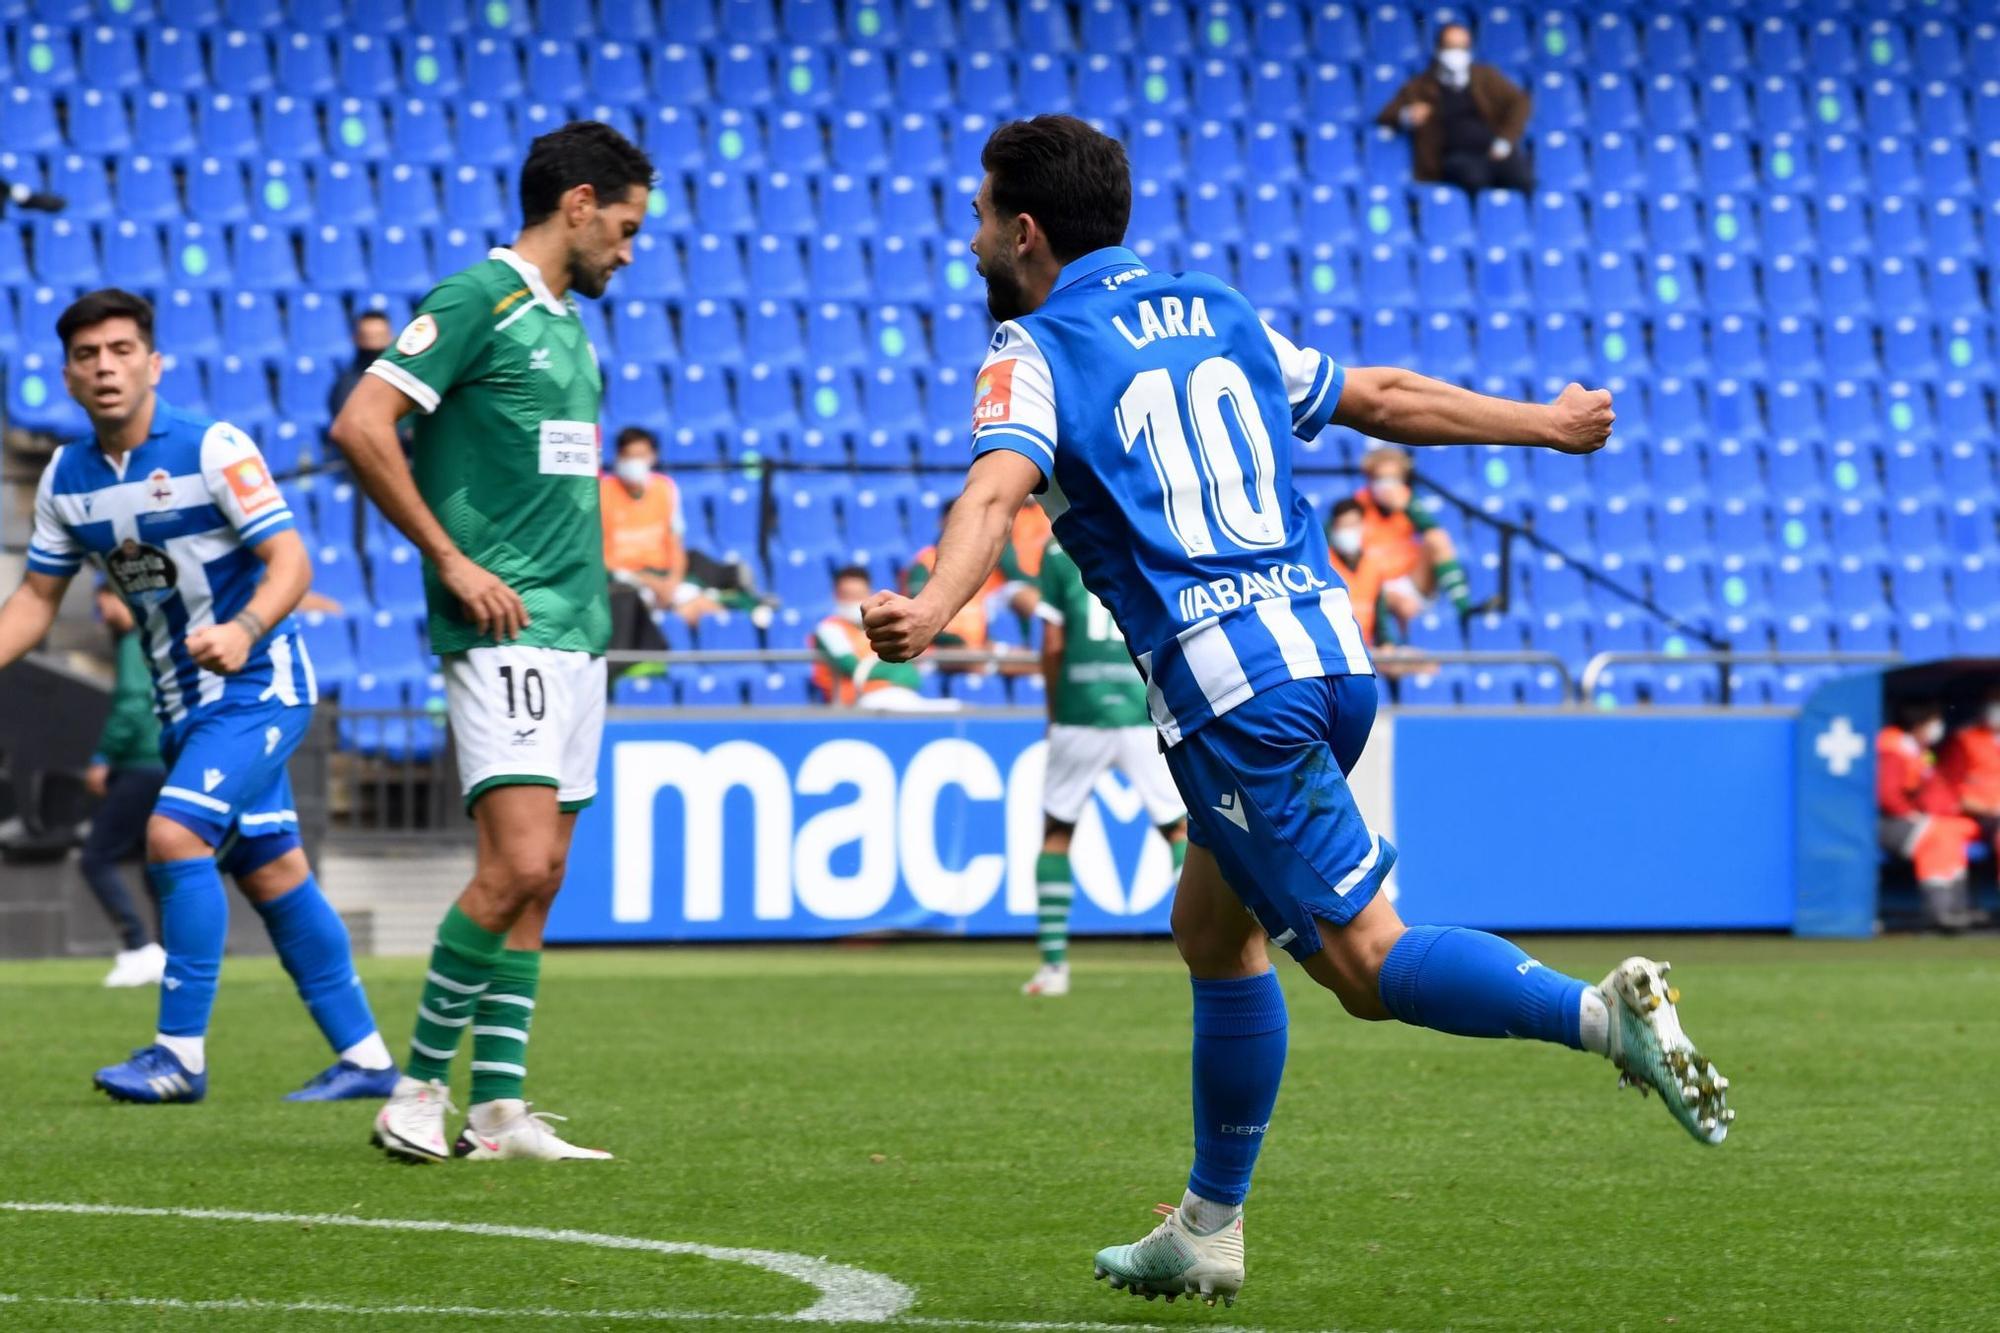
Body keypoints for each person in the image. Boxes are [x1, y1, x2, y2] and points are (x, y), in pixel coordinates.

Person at [861, 116, 1729, 1307]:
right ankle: (1207, 1228)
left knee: (1364, 965)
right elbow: (1377, 394)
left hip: (1233, 695)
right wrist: (1545, 421)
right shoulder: (1208, 307)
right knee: (1211, 932)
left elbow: (990, 492)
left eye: (975, 218)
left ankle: (1597, 1018)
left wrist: (932, 605)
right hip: (1326, 655)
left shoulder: (1030, 347)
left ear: (1023, 232)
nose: (967, 242)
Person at [332, 120, 654, 1163]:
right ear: (577, 205)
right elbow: (362, 424)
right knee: (513, 859)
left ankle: (500, 1109)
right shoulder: (478, 297)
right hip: (502, 624)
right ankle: (414, 1089)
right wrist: (453, 563)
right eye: (625, 225)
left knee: (543, 871)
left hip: (575, 631)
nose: (629, 248)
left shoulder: (568, 324)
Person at [0, 288, 397, 1104]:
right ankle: (367, 1060)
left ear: (154, 362)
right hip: (186, 705)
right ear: (68, 376)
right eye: (87, 355)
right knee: (273, 870)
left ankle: (178, 1055)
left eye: (120, 350)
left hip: (261, 682)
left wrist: (247, 626)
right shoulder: (66, 480)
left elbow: (292, 562)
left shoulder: (213, 447)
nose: (105, 367)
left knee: (174, 834)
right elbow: (37, 601)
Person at [1026, 537, 1187, 997]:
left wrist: (1055, 710)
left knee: (1057, 831)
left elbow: (1053, 643)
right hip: (1141, 709)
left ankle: (1053, 968)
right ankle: (1206, 950)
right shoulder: (1144, 539)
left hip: (1080, 710)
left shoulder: (1058, 552)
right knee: (1178, 830)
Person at [82, 585, 168, 989]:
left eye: (107, 606)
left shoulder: (135, 642)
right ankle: (169, 954)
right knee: (157, 866)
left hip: (140, 765)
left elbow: (134, 704)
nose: (105, 616)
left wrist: (103, 757)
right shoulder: (158, 637)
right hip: (165, 762)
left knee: (96, 857)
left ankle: (138, 947)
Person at [1376, 22, 1534, 195]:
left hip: (1492, 151)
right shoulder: (1420, 86)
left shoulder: (1485, 77)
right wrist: (1407, 115)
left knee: (1523, 179)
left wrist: (1505, 140)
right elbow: (1385, 115)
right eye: (1451, 47)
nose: (1457, 54)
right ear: (1438, 49)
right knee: (1474, 180)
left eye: (1462, 47)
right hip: (1455, 157)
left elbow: (1521, 102)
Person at [601, 425, 724, 647]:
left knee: (713, 614)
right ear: (619, 458)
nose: (635, 463)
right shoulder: (602, 492)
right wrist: (651, 583)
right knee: (633, 609)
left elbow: (676, 544)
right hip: (624, 581)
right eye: (629, 456)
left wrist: (671, 583)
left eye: (641, 456)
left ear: (653, 457)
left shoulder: (665, 489)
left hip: (664, 578)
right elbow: (600, 557)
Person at [1354, 446, 1480, 634]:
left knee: (1437, 538)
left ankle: (1464, 610)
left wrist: (1408, 508)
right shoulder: (1357, 506)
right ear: (1370, 479)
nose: (1387, 485)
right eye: (1381, 478)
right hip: (1374, 584)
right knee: (1400, 604)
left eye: (1393, 478)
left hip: (1411, 579)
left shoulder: (1409, 502)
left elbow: (1431, 530)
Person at [1880, 699, 1982, 932]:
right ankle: (1941, 912)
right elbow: (1887, 794)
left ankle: (1957, 909)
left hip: (1914, 820)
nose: (1937, 727)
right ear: (1918, 723)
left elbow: (1933, 790)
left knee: (1953, 829)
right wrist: (1909, 813)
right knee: (1937, 835)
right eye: (1933, 721)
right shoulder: (1892, 747)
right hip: (1886, 823)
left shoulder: (1920, 751)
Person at [811, 565, 957, 712]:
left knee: (955, 708)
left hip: (901, 695)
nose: (853, 601)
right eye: (847, 595)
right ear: (836, 595)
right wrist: (900, 669)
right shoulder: (829, 629)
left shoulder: (880, 625)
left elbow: (918, 668)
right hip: (858, 702)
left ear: (868, 594)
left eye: (858, 595)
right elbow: (851, 667)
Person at [1325, 498, 1390, 646]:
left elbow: (1381, 617)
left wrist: (1387, 643)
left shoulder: (1374, 563)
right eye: (1343, 526)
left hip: (1368, 648)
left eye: (1353, 525)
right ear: (1334, 528)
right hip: (1335, 647)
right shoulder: (1324, 564)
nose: (1348, 531)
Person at [327, 311, 393, 422]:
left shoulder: (402, 379)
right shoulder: (348, 385)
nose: (373, 346)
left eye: (379, 337)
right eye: (367, 338)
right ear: (355, 338)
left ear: (389, 338)